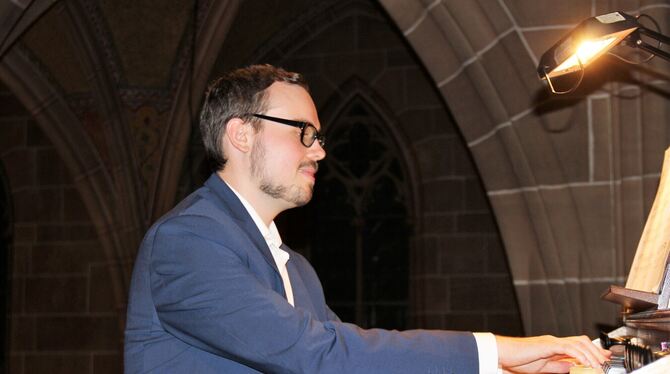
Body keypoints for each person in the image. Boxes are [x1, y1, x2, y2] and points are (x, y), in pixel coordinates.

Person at [124, 64, 610, 373]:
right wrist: (495, 350)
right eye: (303, 132)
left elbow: (358, 364)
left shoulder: (297, 269)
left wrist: (507, 373)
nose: (320, 150)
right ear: (241, 134)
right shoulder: (188, 241)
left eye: (319, 136)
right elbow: (321, 355)